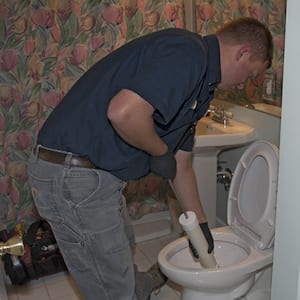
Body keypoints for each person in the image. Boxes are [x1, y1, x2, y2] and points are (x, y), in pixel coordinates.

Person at [28, 17, 273, 300]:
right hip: (72, 174)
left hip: (95, 175)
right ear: (242, 52)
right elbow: (124, 113)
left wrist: (201, 226)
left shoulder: (202, 87)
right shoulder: (189, 53)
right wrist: (158, 151)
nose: (245, 83)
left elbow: (180, 165)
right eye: (251, 73)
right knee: (110, 285)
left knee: (123, 246)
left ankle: (138, 288)